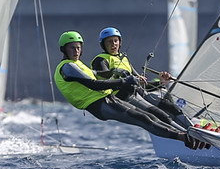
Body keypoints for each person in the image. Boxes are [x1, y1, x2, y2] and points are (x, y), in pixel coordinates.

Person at [53, 32, 207, 149]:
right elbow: (93, 84)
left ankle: (191, 133)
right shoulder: (67, 67)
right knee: (143, 119)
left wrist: (120, 73)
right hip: (97, 104)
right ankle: (185, 138)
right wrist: (123, 81)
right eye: (72, 48)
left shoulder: (79, 64)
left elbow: (101, 75)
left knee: (148, 115)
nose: (76, 50)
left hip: (108, 99)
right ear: (63, 49)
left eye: (78, 47)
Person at [88, 27, 201, 136]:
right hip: (124, 97)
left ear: (120, 42)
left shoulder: (123, 58)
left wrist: (161, 82)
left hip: (139, 93)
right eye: (109, 42)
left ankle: (194, 128)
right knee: (159, 114)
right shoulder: (100, 60)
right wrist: (118, 73)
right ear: (103, 44)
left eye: (115, 41)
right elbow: (103, 78)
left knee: (171, 107)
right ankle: (185, 134)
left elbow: (141, 82)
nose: (113, 44)